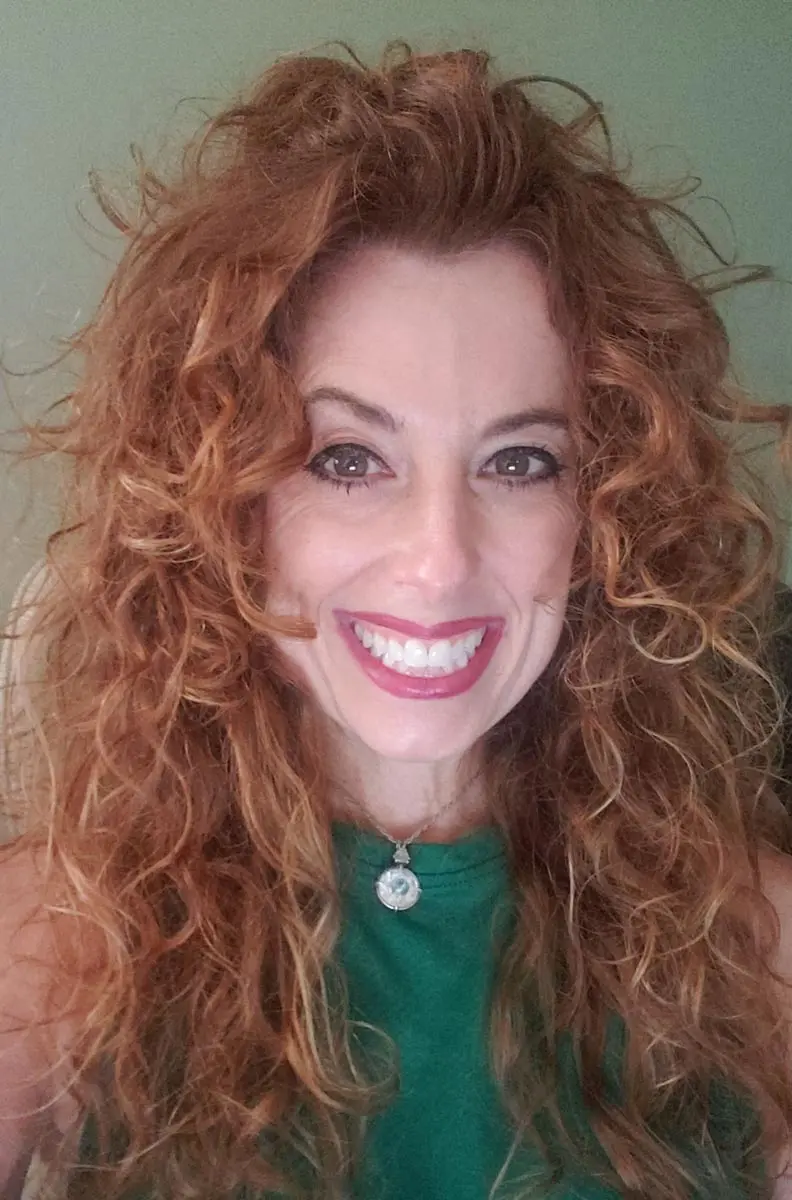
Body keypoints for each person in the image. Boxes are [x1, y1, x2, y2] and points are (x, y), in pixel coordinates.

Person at [2, 41, 792, 1200]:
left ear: (607, 511)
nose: (440, 559)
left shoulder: (760, 952)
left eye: (521, 460)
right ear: (220, 498)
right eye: (348, 457)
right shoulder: (52, 947)